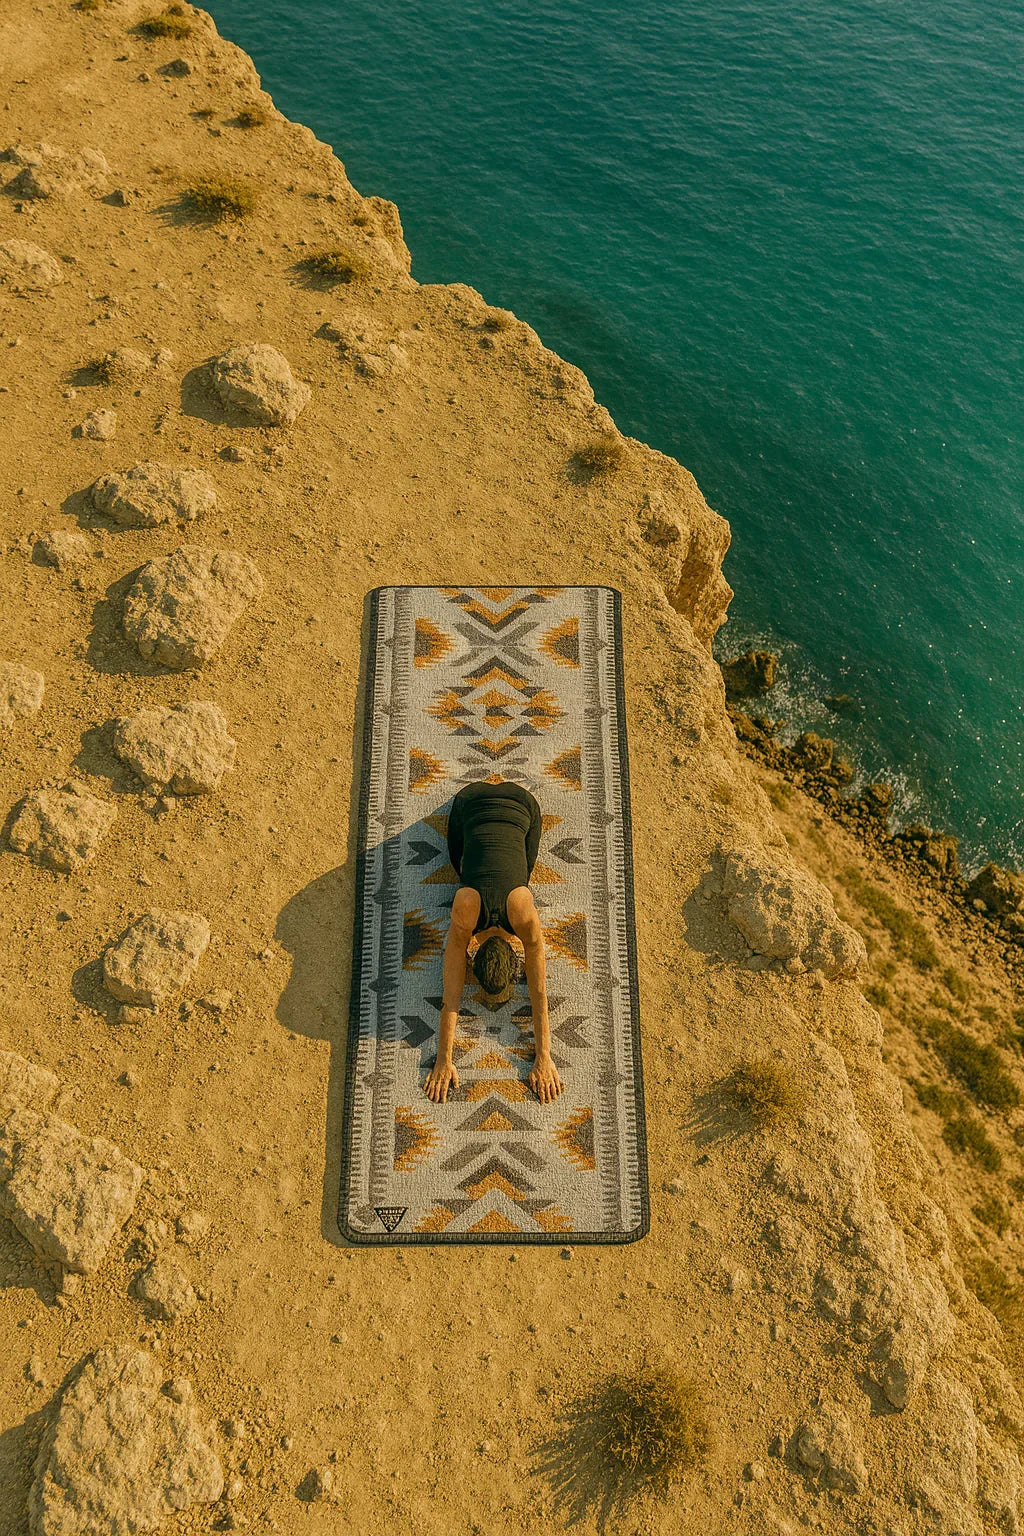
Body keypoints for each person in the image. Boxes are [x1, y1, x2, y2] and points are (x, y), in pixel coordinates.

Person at [423, 779, 564, 1106]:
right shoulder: (479, 908)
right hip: (469, 802)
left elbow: (451, 994)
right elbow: (539, 988)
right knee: (467, 869)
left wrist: (444, 1059)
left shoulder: (482, 911)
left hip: (522, 803)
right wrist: (542, 1057)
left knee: (515, 873)